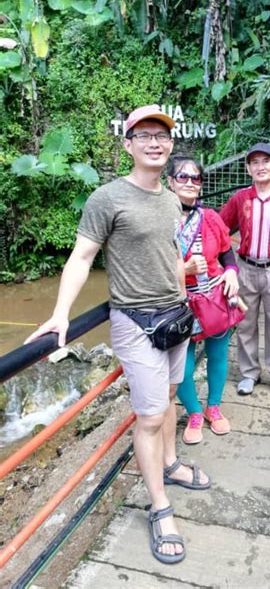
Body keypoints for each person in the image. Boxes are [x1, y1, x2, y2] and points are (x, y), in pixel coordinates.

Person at [25, 105, 210, 565]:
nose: (154, 142)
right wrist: (60, 314)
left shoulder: (171, 198)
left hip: (175, 316)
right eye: (144, 135)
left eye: (161, 135)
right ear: (128, 144)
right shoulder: (107, 198)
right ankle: (159, 508)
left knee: (170, 397)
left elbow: (169, 253)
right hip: (134, 322)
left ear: (170, 144)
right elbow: (81, 258)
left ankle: (170, 463)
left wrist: (184, 281)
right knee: (149, 416)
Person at [219, 142, 270, 402]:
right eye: (254, 162)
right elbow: (221, 229)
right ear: (248, 168)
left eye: (266, 161)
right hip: (245, 268)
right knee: (245, 322)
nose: (260, 167)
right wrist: (225, 266)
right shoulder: (240, 198)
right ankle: (249, 373)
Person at [167, 156, 239, 444]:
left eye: (195, 177)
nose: (189, 182)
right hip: (177, 303)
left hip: (213, 298)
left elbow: (226, 252)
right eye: (182, 176)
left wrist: (231, 271)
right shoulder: (159, 220)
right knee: (182, 368)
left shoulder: (210, 217)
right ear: (170, 181)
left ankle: (214, 407)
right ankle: (194, 411)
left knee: (218, 354)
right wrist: (183, 270)